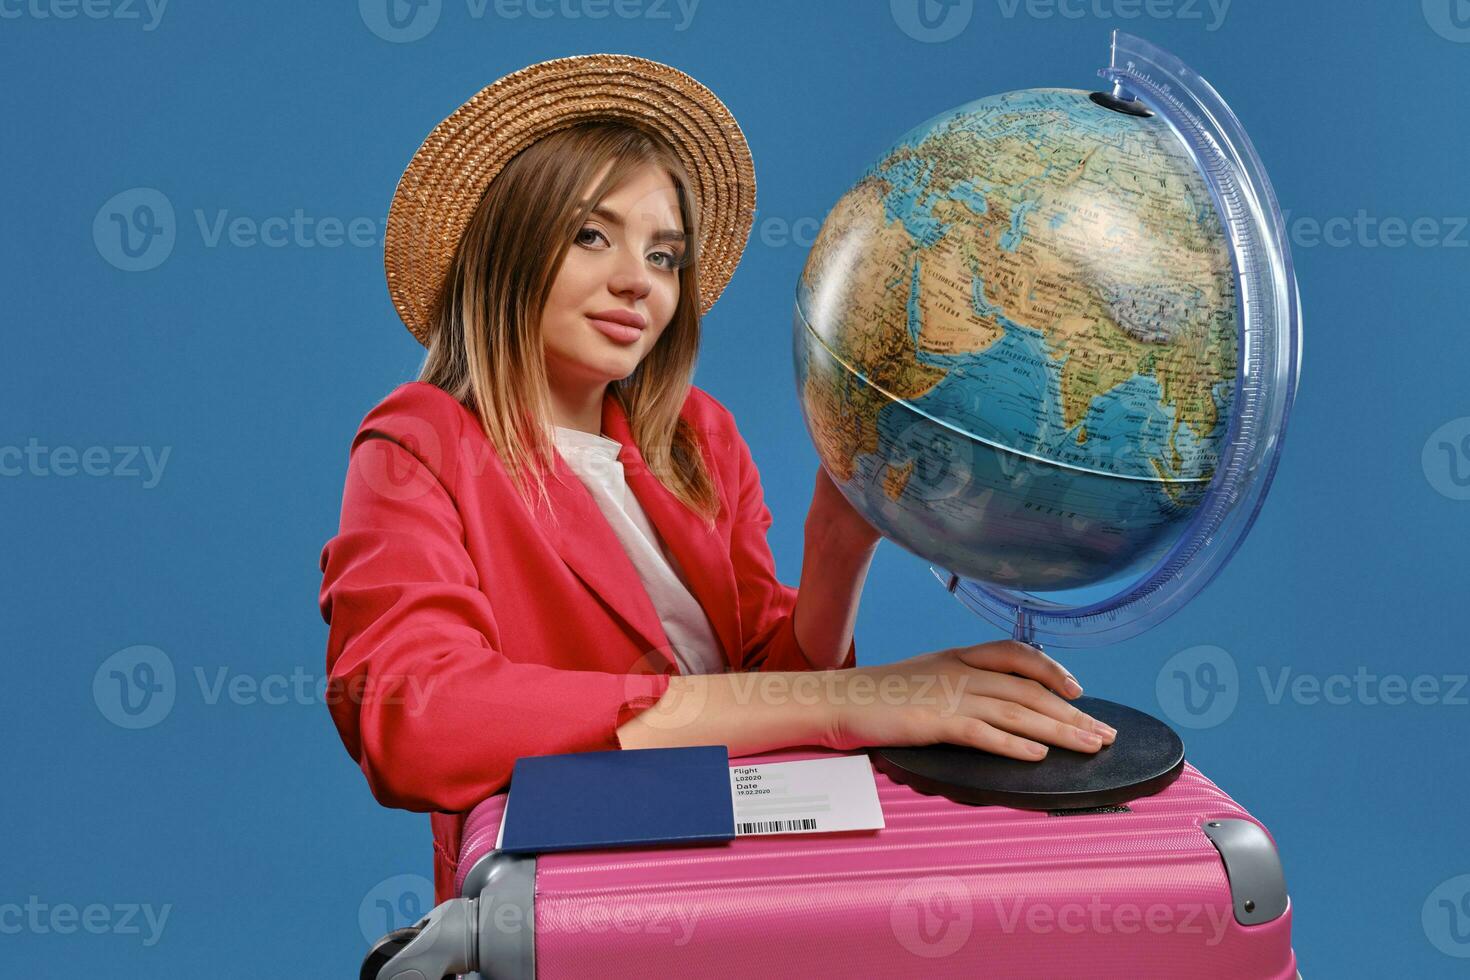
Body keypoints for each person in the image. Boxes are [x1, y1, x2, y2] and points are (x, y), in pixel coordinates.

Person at [318, 54, 1116, 906]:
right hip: (577, 900)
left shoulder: (698, 435)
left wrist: (836, 548)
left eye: (665, 256)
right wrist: (853, 700)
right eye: (592, 235)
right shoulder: (418, 444)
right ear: (506, 250)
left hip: (749, 873)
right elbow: (417, 718)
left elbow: (770, 682)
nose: (639, 282)